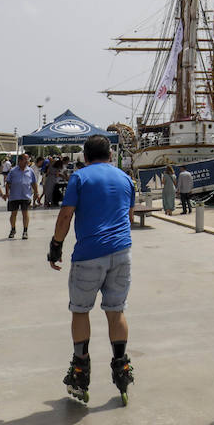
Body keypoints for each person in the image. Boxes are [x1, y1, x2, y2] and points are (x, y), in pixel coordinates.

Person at [48, 136, 137, 404]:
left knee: (80, 309)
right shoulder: (125, 179)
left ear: (85, 157)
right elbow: (129, 217)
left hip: (89, 255)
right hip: (122, 252)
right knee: (116, 310)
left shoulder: (80, 178)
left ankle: (80, 368)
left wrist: (56, 245)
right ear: (110, 154)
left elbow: (66, 215)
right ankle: (121, 365)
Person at [4, 152, 40, 240]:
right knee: (13, 214)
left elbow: (33, 183)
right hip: (14, 196)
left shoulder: (30, 171)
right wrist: (7, 193)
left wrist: (36, 193)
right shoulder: (13, 171)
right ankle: (13, 229)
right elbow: (8, 183)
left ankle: (25, 231)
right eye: (25, 159)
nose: (27, 161)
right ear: (20, 160)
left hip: (25, 195)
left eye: (28, 159)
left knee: (25, 213)